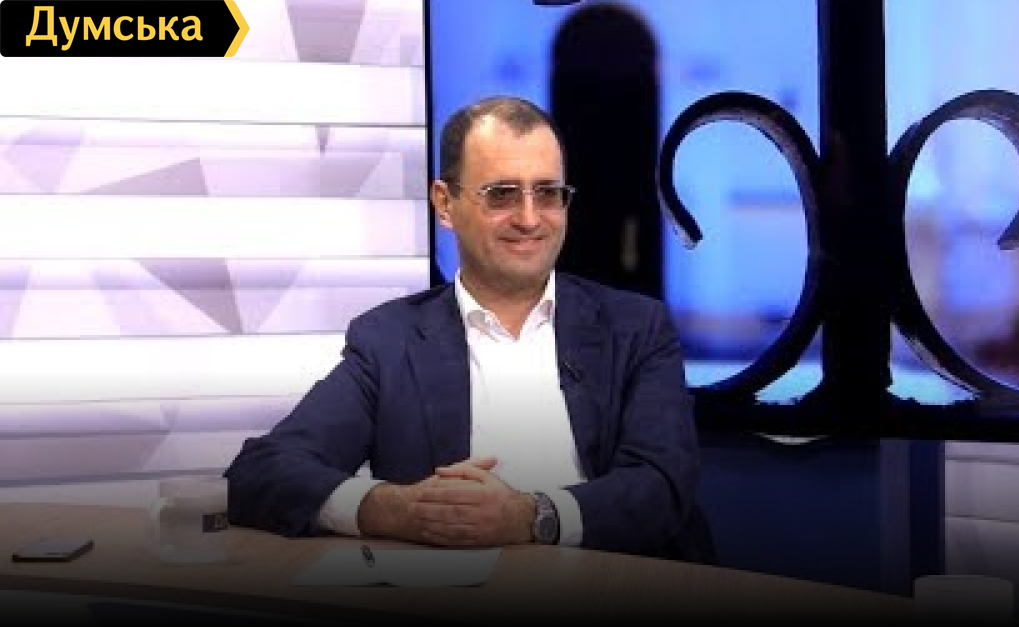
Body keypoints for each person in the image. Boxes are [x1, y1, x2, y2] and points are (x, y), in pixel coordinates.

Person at [224, 95, 711, 562]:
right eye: (502, 194)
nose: (529, 219)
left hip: (611, 589)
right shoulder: (389, 341)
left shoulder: (636, 329)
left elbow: (662, 486)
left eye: (547, 193)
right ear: (444, 203)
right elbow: (262, 472)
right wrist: (394, 510)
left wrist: (531, 517)